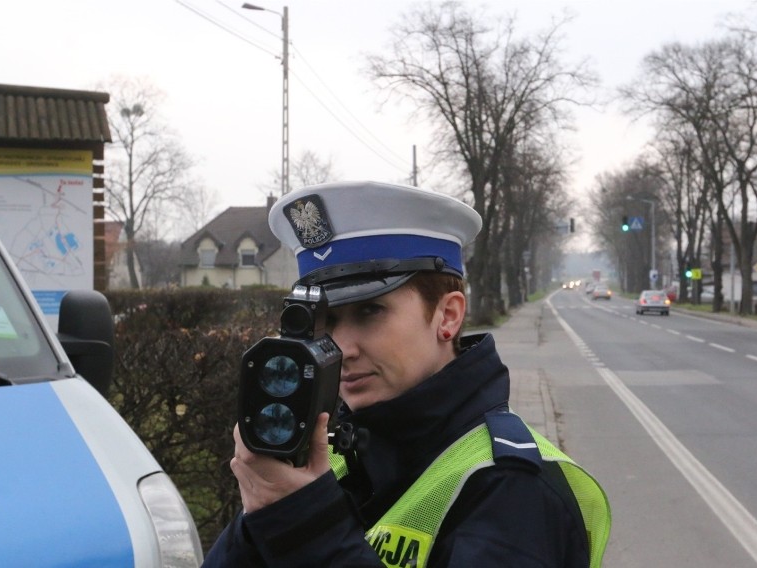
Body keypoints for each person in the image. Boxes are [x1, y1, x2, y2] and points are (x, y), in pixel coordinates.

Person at [203, 181, 610, 567]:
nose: (342, 348)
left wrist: (303, 522)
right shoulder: (337, 458)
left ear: (447, 316)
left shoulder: (514, 488)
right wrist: (262, 516)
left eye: (369, 311)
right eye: (324, 321)